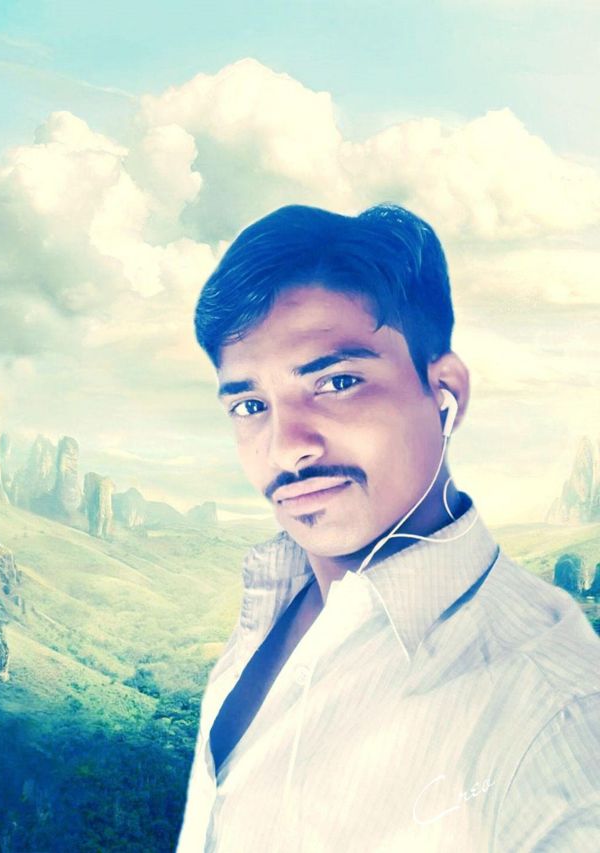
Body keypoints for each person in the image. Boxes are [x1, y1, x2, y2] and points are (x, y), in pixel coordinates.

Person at [175, 204, 600, 852]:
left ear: (445, 392)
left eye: (337, 381)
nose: (286, 446)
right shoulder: (273, 603)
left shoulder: (554, 712)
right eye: (250, 404)